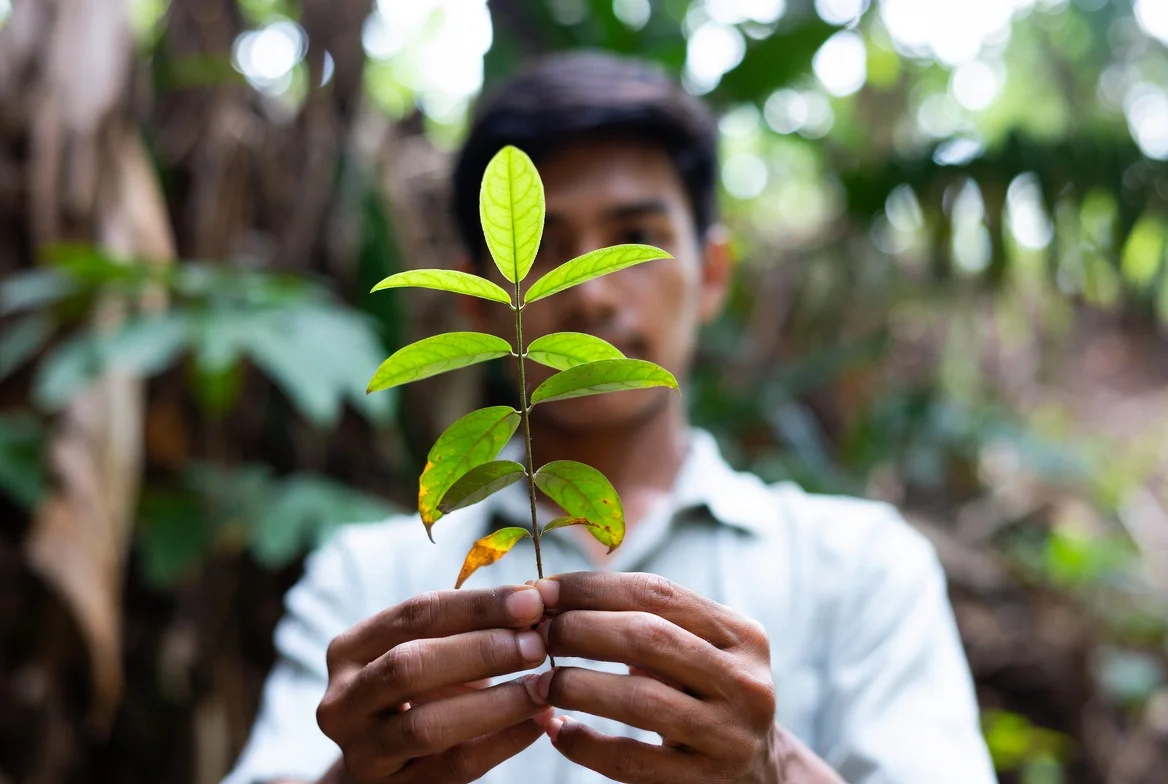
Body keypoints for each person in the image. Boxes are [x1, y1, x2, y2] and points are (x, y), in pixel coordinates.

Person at [223, 52, 997, 784]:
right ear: (476, 300)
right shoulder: (369, 583)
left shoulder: (862, 568)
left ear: (712, 274)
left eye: (634, 242)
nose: (591, 294)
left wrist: (775, 770)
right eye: (545, 251)